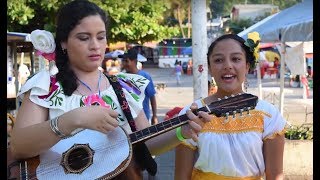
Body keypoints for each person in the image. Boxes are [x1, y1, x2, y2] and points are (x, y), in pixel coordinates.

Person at [9, 1, 210, 179]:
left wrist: (181, 132)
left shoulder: (124, 87)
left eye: (101, 37)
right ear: (63, 42)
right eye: (83, 38)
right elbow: (19, 147)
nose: (95, 46)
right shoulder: (46, 86)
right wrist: (73, 119)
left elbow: (145, 145)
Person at [175, 33, 287, 180]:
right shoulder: (193, 114)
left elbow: (275, 175)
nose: (228, 66)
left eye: (236, 59)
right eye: (219, 60)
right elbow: (181, 176)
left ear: (247, 66)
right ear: (210, 67)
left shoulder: (269, 115)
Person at [120, 48, 158, 126]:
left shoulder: (145, 77)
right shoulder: (121, 77)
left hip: (143, 119)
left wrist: (154, 116)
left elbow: (152, 97)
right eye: (123, 61)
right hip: (126, 121)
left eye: (126, 61)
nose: (124, 64)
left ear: (134, 61)